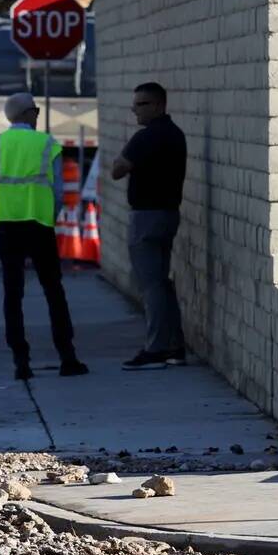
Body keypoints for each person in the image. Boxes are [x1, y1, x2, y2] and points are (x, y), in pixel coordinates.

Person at [0, 92, 89, 381]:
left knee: (12, 294)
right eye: (36, 111)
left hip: (8, 227)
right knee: (54, 291)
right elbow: (58, 192)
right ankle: (67, 357)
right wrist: (50, 215)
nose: (37, 115)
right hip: (40, 225)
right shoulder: (47, 144)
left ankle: (21, 362)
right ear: (27, 113)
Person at [111, 82, 187, 371]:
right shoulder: (175, 134)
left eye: (141, 104)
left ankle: (155, 349)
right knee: (162, 284)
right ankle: (174, 347)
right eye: (135, 105)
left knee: (151, 286)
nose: (134, 110)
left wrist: (126, 156)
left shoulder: (147, 137)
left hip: (146, 218)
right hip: (168, 215)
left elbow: (117, 170)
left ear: (158, 105)